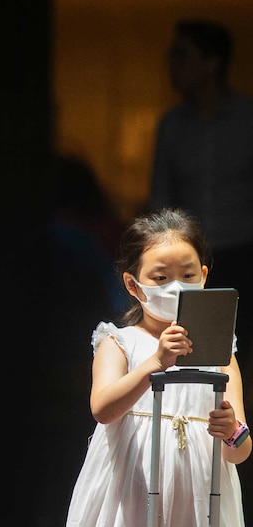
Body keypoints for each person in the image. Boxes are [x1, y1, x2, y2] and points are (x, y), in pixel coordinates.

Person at [66, 207, 251, 526]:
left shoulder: (220, 351)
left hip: (202, 494)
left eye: (188, 275)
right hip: (132, 488)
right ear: (134, 285)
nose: (176, 287)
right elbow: (103, 409)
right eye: (161, 277)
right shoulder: (119, 342)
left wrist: (232, 431)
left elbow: (239, 451)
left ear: (204, 277)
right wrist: (155, 363)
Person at [147, 19, 253, 365]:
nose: (171, 66)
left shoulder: (247, 120)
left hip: (244, 252)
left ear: (212, 63)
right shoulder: (172, 125)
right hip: (187, 258)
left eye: (182, 55)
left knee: (244, 350)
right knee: (187, 347)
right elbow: (159, 198)